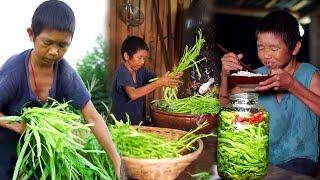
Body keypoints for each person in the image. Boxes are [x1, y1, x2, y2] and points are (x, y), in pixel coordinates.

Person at [0, 1, 123, 179]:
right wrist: (17, 126)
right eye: (47, 42)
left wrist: (116, 159)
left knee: (41, 174)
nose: (54, 51)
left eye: (62, 45)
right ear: (31, 34)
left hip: (38, 142)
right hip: (6, 135)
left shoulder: (65, 74)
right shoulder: (14, 71)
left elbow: (92, 116)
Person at [219, 10, 320, 177]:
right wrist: (224, 76)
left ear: (295, 47)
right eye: (261, 47)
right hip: (259, 159)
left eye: (274, 48)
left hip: (301, 162)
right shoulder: (256, 75)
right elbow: (225, 109)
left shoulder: (310, 75)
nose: (266, 55)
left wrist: (292, 85)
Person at [111, 36, 182, 125]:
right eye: (139, 58)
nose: (142, 62)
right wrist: (160, 82)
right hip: (122, 126)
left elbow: (157, 78)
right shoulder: (122, 72)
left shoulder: (141, 70)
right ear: (126, 56)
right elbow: (133, 94)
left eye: (144, 58)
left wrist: (172, 76)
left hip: (138, 124)